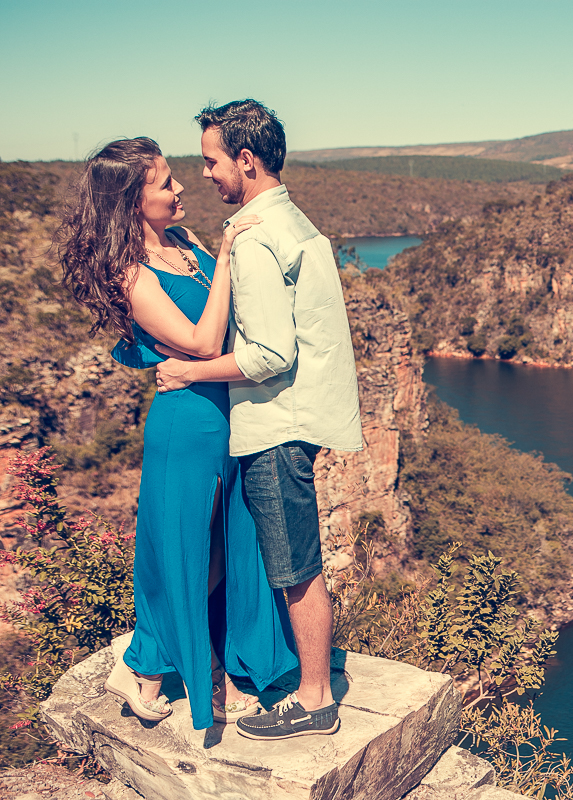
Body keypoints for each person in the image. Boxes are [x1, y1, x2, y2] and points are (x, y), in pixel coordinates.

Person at [57, 137, 298, 729]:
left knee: (235, 544)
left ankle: (237, 667)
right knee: (183, 549)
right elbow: (201, 342)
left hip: (236, 414)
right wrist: (226, 249)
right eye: (164, 182)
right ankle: (146, 664)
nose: (180, 186)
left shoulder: (182, 244)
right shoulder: (129, 271)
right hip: (186, 423)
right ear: (131, 201)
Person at [155, 99, 363, 740]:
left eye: (212, 161)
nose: (207, 176)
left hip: (276, 425)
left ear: (246, 161)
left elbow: (269, 354)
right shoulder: (293, 221)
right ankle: (301, 680)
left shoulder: (256, 238)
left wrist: (191, 371)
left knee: (295, 565)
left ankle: (314, 699)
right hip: (302, 417)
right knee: (292, 557)